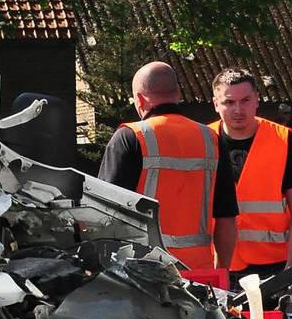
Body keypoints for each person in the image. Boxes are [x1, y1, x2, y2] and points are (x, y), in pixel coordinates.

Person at [98, 61, 238, 272]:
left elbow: (103, 213)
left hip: (143, 274)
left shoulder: (130, 137)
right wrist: (221, 272)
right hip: (198, 274)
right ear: (178, 93)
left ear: (140, 99)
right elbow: (226, 218)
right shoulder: (211, 140)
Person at [209, 68, 292, 282]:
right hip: (215, 265)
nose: (238, 109)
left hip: (272, 268)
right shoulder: (202, 140)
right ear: (215, 103)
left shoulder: (283, 140)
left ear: (257, 99)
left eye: (245, 100)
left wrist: (291, 271)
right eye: (229, 102)